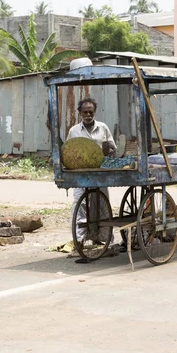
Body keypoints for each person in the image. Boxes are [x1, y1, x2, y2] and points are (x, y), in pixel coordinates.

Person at [67, 97, 118, 254]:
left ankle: (104, 239)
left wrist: (107, 152)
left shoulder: (103, 128)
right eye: (85, 112)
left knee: (102, 204)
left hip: (100, 173)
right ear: (80, 113)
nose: (88, 115)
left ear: (94, 112)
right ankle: (79, 240)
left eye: (91, 112)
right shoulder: (74, 131)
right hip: (81, 174)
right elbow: (68, 151)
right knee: (80, 205)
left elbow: (113, 149)